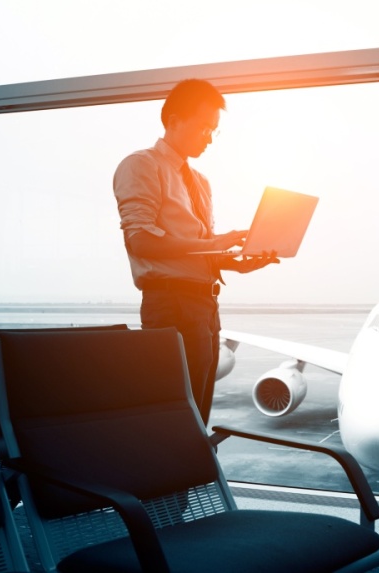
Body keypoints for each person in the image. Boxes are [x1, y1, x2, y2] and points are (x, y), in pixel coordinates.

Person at [113, 78, 278, 425]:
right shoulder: (142, 165)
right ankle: (175, 475)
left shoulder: (200, 182)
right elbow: (140, 241)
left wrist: (236, 263)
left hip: (205, 305)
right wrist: (215, 243)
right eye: (204, 128)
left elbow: (197, 253)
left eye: (213, 131)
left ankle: (193, 476)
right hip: (170, 305)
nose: (208, 138)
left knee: (198, 414)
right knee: (175, 416)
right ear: (173, 121)